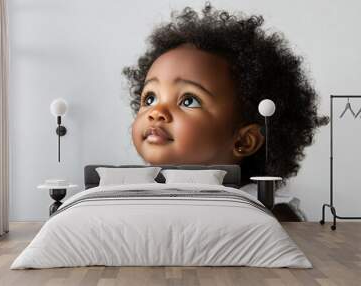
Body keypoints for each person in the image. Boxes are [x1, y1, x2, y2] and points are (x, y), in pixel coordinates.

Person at [122, 2, 328, 221]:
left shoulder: (265, 213)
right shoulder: (133, 200)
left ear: (244, 141)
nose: (156, 112)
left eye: (189, 100)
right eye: (150, 98)